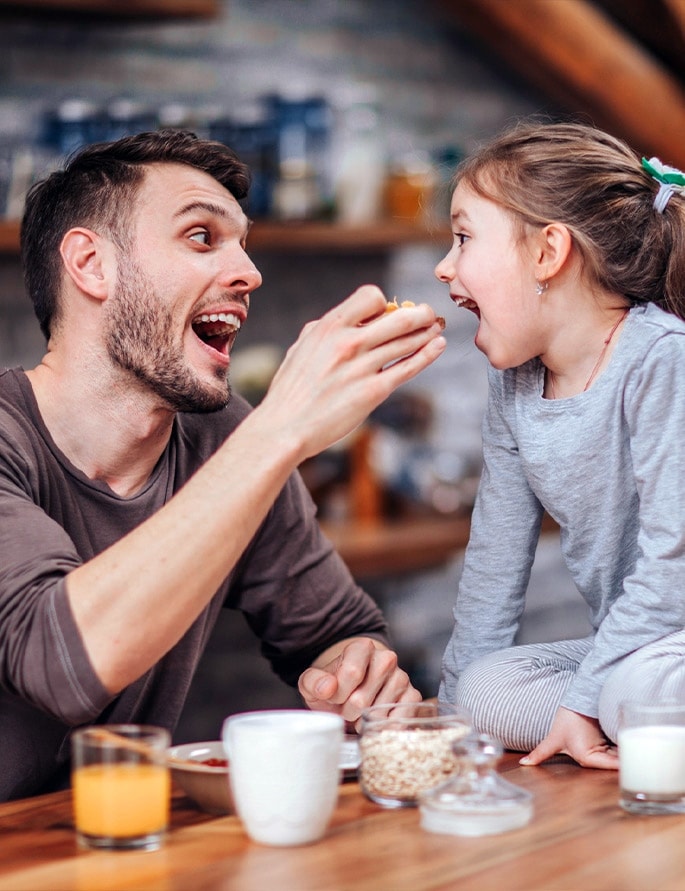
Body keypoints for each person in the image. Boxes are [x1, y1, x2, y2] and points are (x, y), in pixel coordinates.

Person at [0, 128, 447, 801]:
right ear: (91, 264)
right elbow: (60, 662)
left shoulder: (220, 435)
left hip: (114, 847)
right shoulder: (247, 440)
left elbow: (330, 630)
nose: (249, 273)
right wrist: (280, 429)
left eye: (243, 243)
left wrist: (352, 673)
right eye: (202, 237)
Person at [435, 120, 685, 770]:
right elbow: (494, 561)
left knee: (629, 686)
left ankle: (619, 714)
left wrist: (583, 699)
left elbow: (674, 562)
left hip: (666, 637)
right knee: (483, 689)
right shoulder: (515, 385)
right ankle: (635, 727)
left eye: (462, 238)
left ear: (548, 253)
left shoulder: (662, 361)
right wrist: (441, 728)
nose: (444, 265)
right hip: (644, 653)